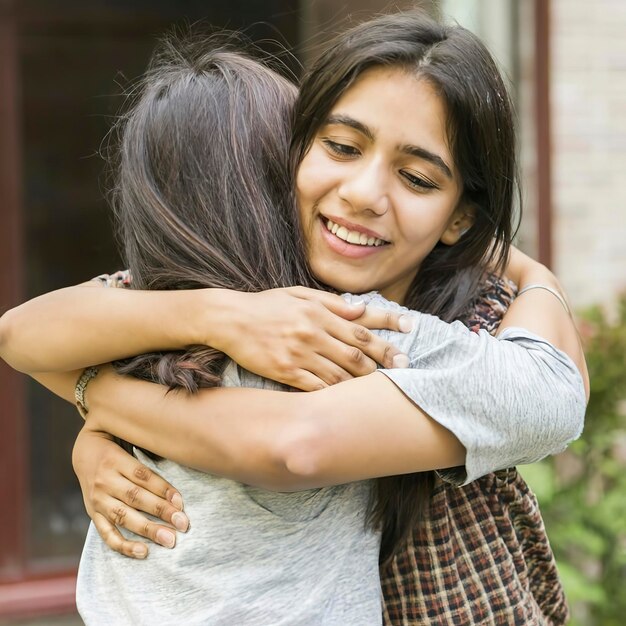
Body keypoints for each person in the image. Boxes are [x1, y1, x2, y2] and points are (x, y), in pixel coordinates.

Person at [0, 11, 587, 625]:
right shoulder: (223, 295)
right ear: (289, 157)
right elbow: (24, 332)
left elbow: (292, 442)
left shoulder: (447, 326)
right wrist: (222, 316)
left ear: (460, 217)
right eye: (340, 146)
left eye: (416, 178)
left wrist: (102, 399)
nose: (363, 193)